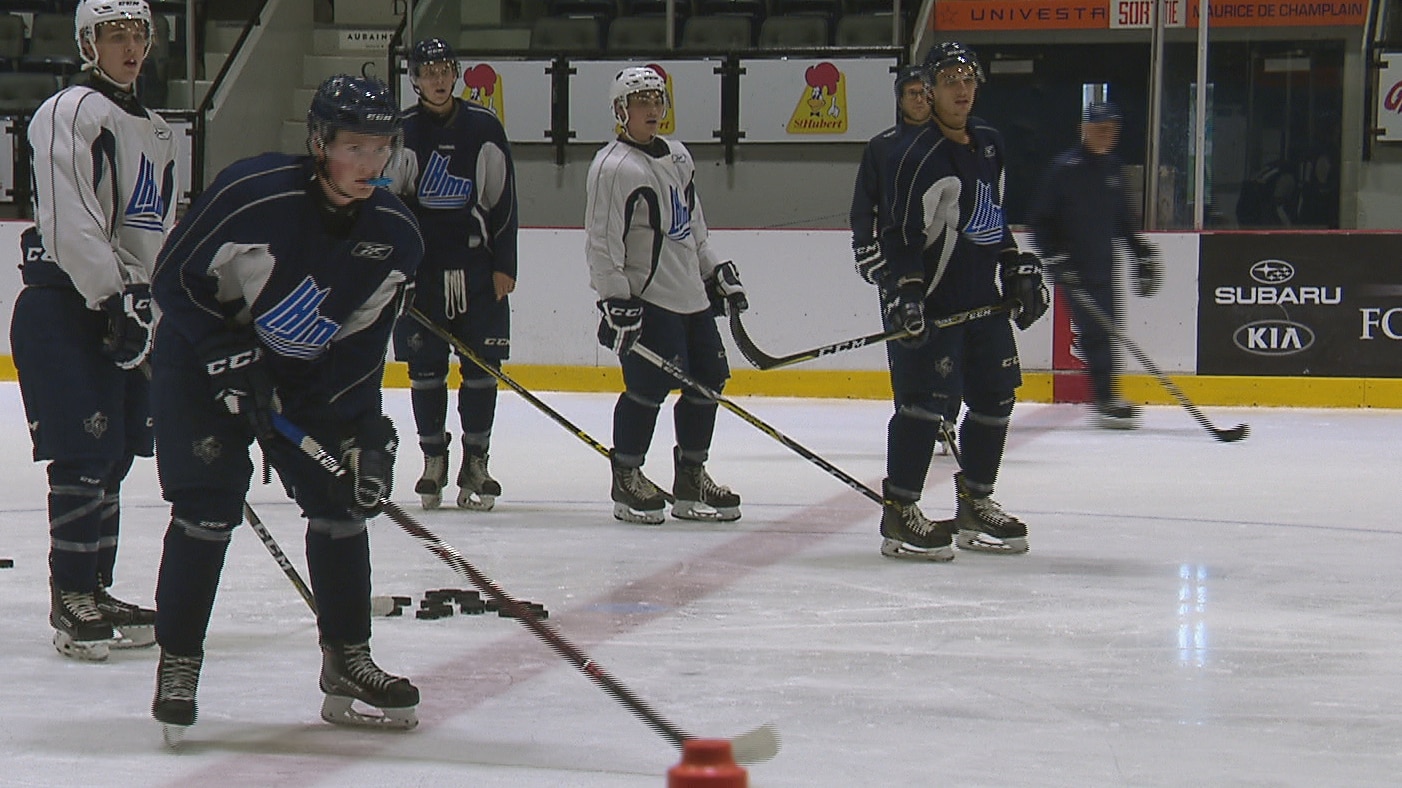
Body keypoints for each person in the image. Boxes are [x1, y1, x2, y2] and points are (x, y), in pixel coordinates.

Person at [147, 75, 423, 738]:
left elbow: (358, 353)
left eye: (381, 148)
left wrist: (362, 438)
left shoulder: (396, 237)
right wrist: (223, 350)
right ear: (320, 143)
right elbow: (172, 278)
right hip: (198, 358)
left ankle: (347, 659)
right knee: (207, 507)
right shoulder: (254, 193)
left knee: (341, 503)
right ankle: (179, 661)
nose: (370, 163)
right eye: (354, 147)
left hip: (300, 378)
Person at [9, 0, 176, 661]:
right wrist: (113, 295)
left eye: (138, 33)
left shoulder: (157, 128)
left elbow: (151, 232)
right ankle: (71, 594)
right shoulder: (72, 110)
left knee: (112, 457)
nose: (130, 45)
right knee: (83, 452)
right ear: (87, 42)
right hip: (68, 304)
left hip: (127, 304)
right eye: (115, 34)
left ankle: (97, 588)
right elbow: (69, 214)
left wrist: (151, 302)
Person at [876, 42, 1049, 562]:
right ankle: (901, 510)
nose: (962, 88)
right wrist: (906, 295)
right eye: (950, 78)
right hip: (930, 304)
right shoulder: (913, 152)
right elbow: (900, 234)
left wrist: (1016, 265)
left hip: (982, 302)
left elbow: (990, 218)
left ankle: (975, 500)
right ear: (929, 89)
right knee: (924, 406)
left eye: (969, 78)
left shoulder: (990, 144)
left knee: (996, 400)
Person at [584, 66, 747, 525]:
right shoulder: (613, 167)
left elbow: (693, 226)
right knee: (647, 389)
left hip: (691, 296)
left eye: (657, 100)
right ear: (622, 111)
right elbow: (601, 241)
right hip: (647, 300)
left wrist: (715, 269)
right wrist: (614, 298)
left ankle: (690, 477)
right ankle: (627, 478)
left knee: (709, 379)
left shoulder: (678, 157)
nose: (652, 109)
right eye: (640, 102)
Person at [385, 38, 519, 511]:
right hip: (423, 276)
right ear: (415, 78)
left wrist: (505, 265)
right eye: (428, 71)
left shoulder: (483, 126)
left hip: (478, 271)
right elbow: (390, 205)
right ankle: (434, 460)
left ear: (455, 74)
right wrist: (398, 270)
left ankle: (476, 462)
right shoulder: (400, 130)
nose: (438, 79)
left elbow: (502, 201)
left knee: (482, 373)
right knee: (425, 372)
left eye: (444, 70)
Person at [1028, 100, 1161, 429]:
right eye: (1100, 129)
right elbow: (1039, 221)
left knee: (1110, 330)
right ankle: (1105, 398)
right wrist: (1055, 257)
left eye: (1112, 129)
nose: (1106, 135)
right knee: (1097, 332)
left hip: (1104, 266)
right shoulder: (1065, 168)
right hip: (1075, 270)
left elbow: (1123, 221)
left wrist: (1140, 253)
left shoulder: (1114, 168)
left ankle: (1108, 395)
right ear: (1084, 129)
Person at [849, 64, 959, 456]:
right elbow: (865, 203)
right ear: (899, 99)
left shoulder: (953, 141)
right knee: (905, 337)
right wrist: (864, 246)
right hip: (898, 259)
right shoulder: (882, 146)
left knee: (948, 336)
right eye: (912, 92)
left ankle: (946, 416)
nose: (920, 98)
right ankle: (912, 415)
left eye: (926, 91)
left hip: (944, 256)